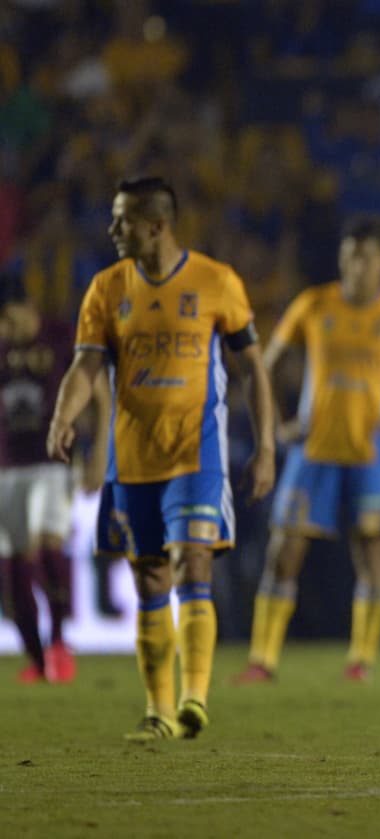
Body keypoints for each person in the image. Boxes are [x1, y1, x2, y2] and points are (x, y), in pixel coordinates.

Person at [46, 176, 276, 741]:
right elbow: (86, 365)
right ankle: (158, 711)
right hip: (131, 458)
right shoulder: (105, 288)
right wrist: (63, 414)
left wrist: (267, 445)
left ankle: (195, 696)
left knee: (190, 562)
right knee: (149, 580)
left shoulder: (216, 282)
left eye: (123, 220)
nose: (113, 230)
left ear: (156, 226)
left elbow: (253, 370)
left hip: (195, 453)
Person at [233, 216, 380, 684]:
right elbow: (263, 364)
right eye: (350, 255)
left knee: (371, 556)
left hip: (371, 452)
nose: (357, 266)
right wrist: (277, 424)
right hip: (313, 449)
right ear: (341, 258)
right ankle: (262, 661)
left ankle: (361, 662)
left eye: (367, 257)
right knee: (283, 553)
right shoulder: (314, 305)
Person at [0, 273, 110, 683]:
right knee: (12, 570)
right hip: (7, 466)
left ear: (28, 307)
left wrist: (99, 452)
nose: (7, 331)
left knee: (48, 550)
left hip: (54, 460)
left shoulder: (61, 336)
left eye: (10, 321)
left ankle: (61, 645)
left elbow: (100, 392)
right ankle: (35, 658)